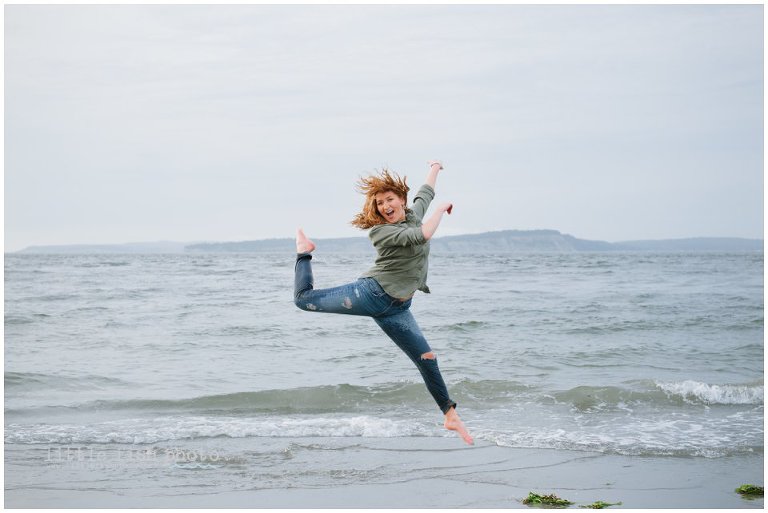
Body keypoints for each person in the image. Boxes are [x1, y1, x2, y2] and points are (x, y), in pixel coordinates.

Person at [293, 160, 473, 445]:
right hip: (371, 294)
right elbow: (422, 234)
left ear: (401, 200)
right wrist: (440, 212)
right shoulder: (381, 232)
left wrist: (435, 168)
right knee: (303, 301)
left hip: (399, 309)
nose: (385, 206)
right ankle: (304, 252)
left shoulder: (413, 214)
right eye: (379, 203)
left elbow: (425, 193)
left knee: (427, 359)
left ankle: (450, 415)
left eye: (390, 199)